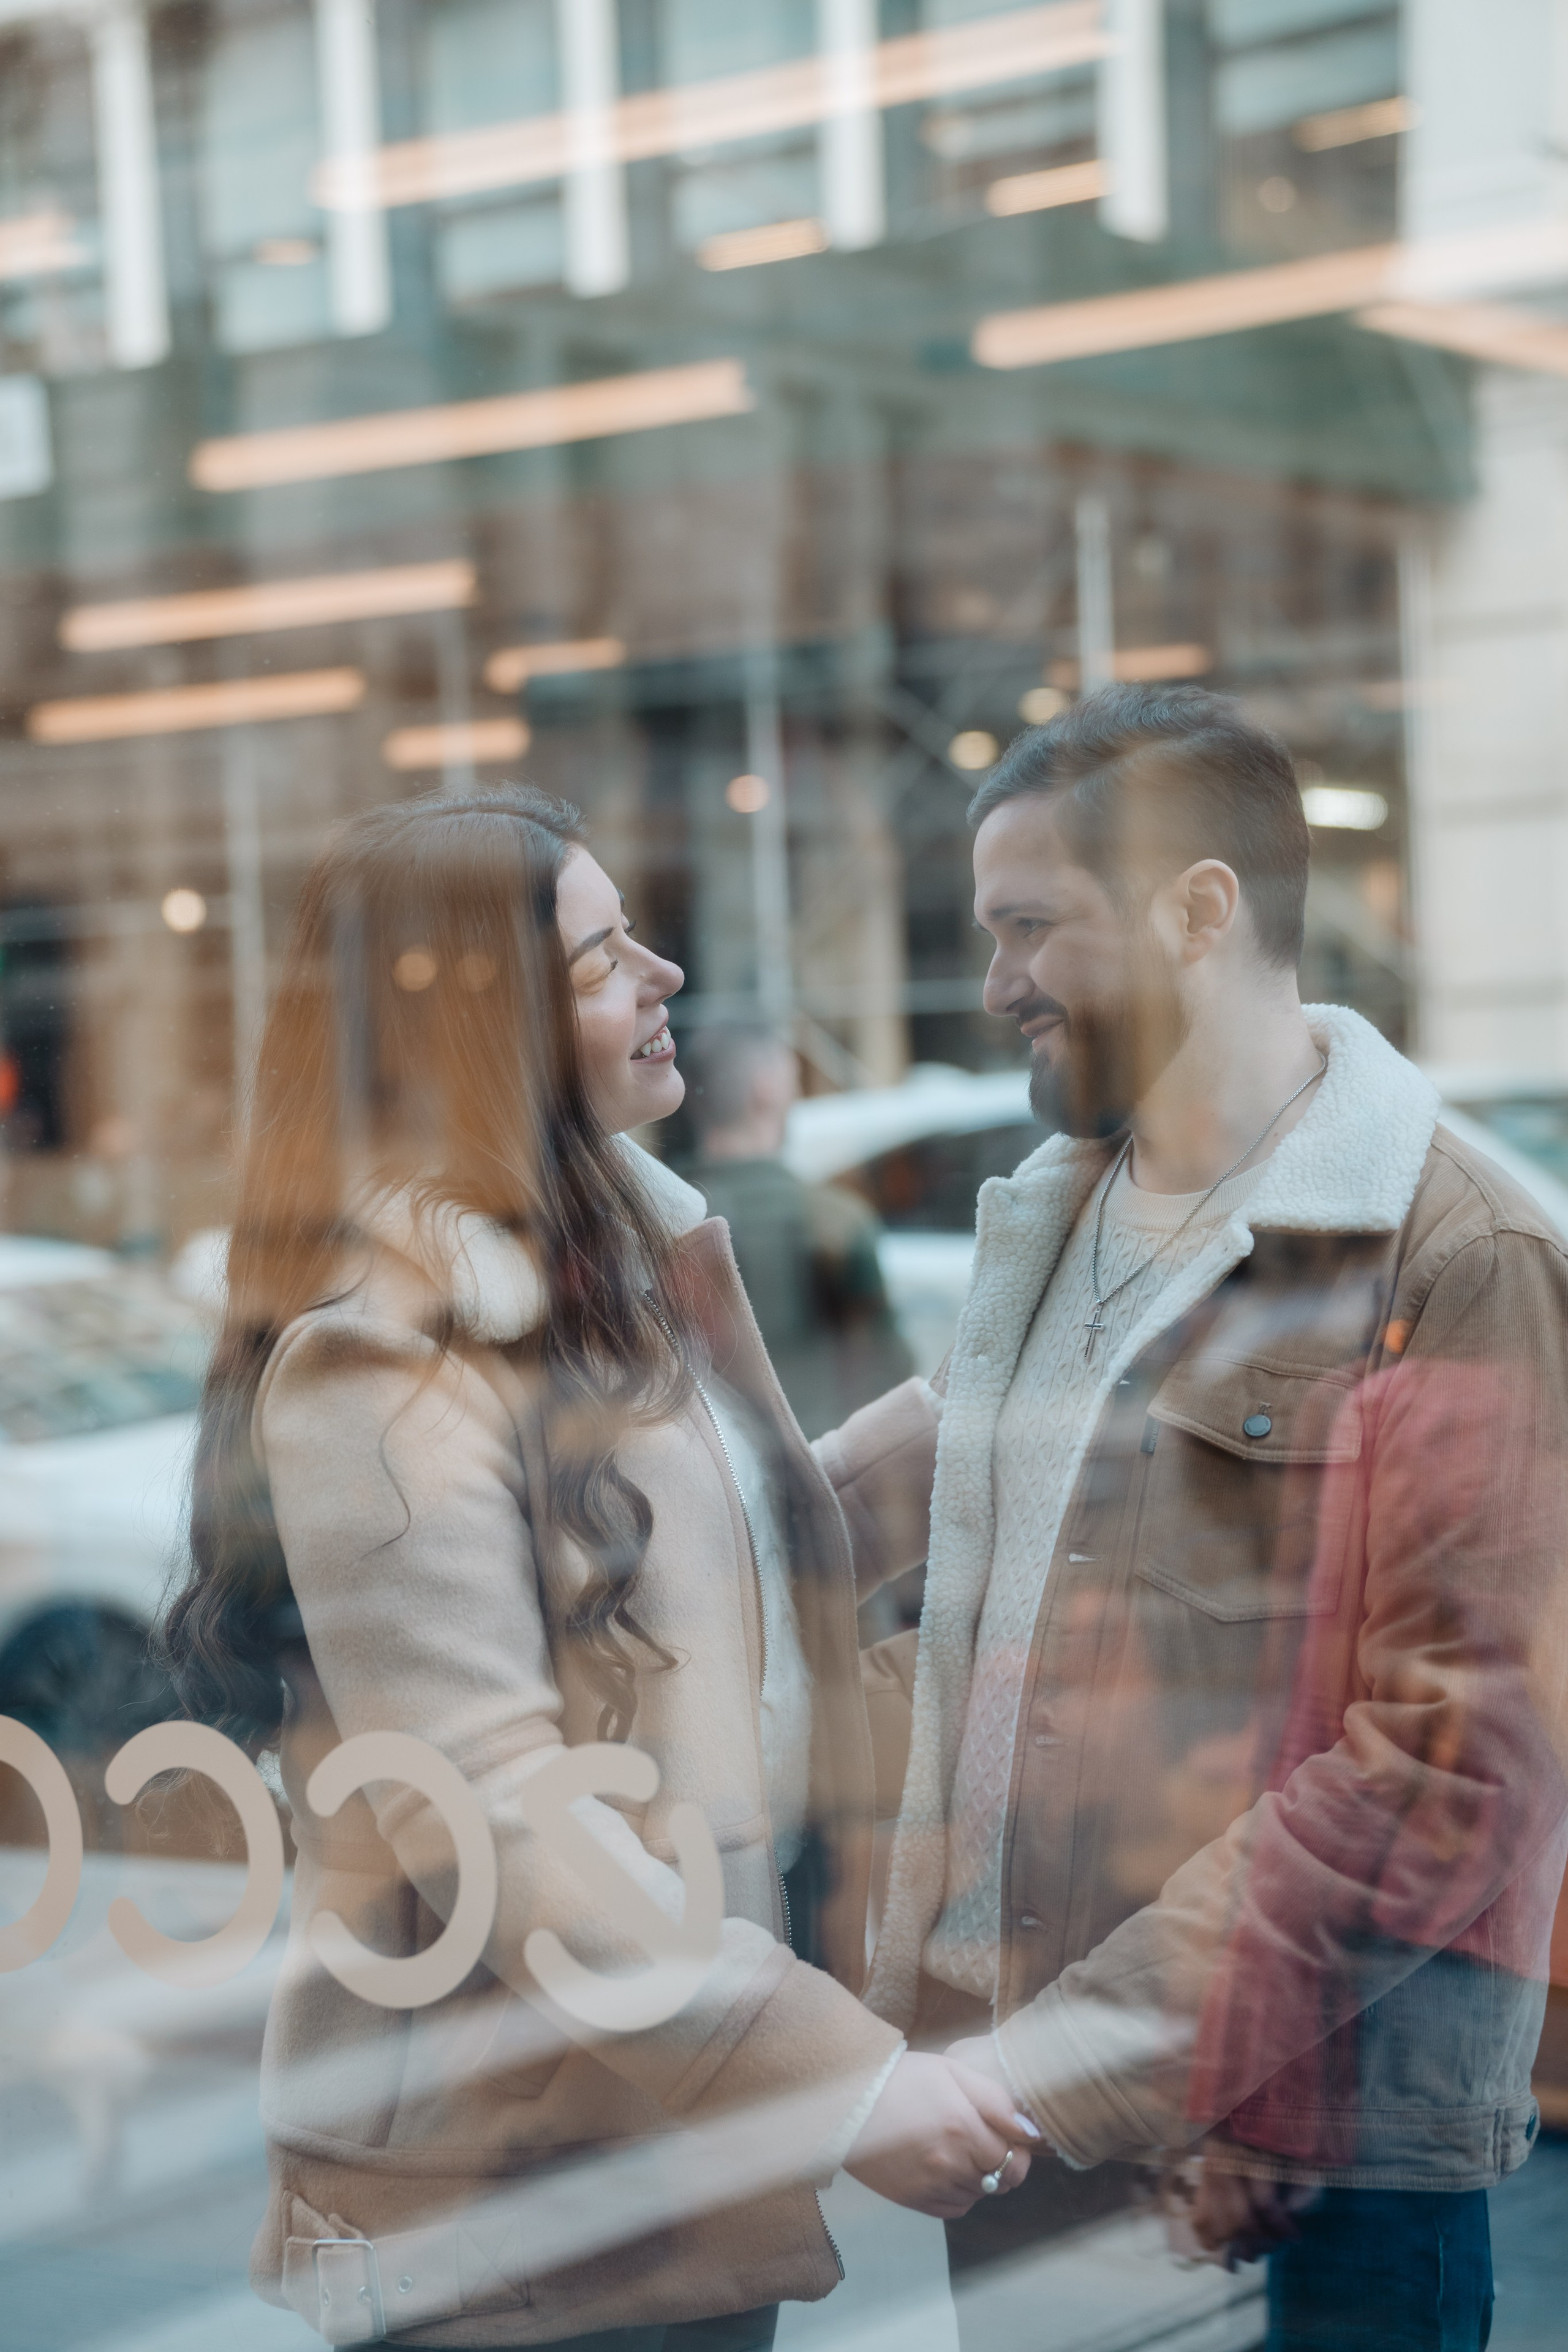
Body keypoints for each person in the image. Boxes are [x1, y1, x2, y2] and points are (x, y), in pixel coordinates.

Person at [162, 786, 1030, 2352]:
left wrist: (986, 1431)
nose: (662, 975)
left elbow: (704, 1593)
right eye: (599, 957)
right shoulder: (382, 1356)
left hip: (651, 2141)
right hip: (516, 2190)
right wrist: (840, 2086)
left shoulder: (602, 1273)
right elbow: (491, 1806)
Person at [816, 688, 1568, 2351]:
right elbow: (993, 1633)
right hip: (1028, 2128)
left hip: (1313, 2166)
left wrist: (1049, 2064)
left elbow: (1450, 1771)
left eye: (1032, 926)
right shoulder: (1047, 1224)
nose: (998, 983)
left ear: (1198, 909)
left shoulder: (1454, 1256)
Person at [680, 1022, 913, 1442]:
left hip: (703, 1462)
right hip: (821, 1456)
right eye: (793, 1080)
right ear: (766, 1088)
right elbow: (887, 1380)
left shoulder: (656, 1218)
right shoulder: (836, 1221)